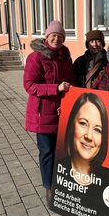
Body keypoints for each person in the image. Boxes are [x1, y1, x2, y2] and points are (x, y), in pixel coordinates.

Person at [51, 92, 109, 216]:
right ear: (71, 125)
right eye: (83, 123)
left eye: (97, 130)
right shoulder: (59, 169)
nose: (88, 136)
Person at [23, 20, 74, 205]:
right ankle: (49, 187)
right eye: (54, 35)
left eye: (60, 36)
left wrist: (69, 98)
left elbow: (71, 81)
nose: (57, 39)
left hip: (62, 112)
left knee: (60, 150)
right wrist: (56, 89)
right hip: (43, 113)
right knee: (46, 151)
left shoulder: (65, 57)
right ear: (46, 36)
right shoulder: (36, 57)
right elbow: (29, 85)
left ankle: (60, 181)